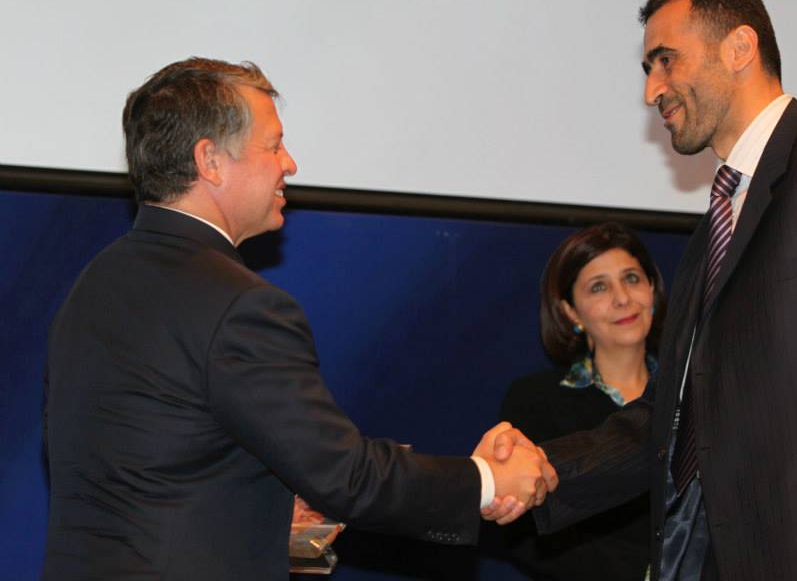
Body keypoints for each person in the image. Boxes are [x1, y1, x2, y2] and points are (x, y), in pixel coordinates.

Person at [492, 0, 797, 580]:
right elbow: (672, 418)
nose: (651, 91)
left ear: (740, 48)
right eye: (647, 70)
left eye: (665, 60)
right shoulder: (714, 229)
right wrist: (539, 470)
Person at [42, 57, 554, 581]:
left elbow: (150, 466)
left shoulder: (95, 284)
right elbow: (346, 477)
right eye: (273, 145)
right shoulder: (240, 305)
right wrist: (487, 481)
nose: (289, 164)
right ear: (210, 160)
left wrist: (262, 510)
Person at [499, 222, 666, 580]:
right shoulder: (536, 400)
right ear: (571, 312)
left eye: (632, 279)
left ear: (652, 289)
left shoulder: (694, 390)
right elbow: (522, 528)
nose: (623, 298)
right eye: (599, 287)